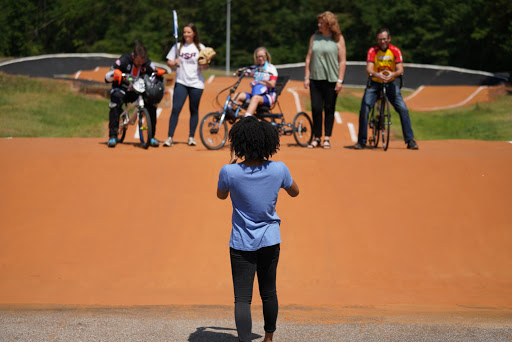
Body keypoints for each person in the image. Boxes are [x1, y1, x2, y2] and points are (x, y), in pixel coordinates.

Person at [217, 117, 300, 342]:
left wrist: (232, 164)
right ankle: (269, 338)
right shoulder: (279, 169)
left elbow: (221, 195)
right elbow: (295, 192)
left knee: (242, 298)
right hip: (270, 240)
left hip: (241, 241)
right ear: (268, 143)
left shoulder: (228, 172)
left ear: (239, 144)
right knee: (269, 292)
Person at [354, 28, 419, 150]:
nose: (382, 41)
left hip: (390, 83)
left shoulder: (395, 51)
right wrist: (377, 75)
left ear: (389, 39)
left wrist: (392, 75)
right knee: (365, 108)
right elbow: (369, 69)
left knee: (403, 109)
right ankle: (361, 141)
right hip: (374, 83)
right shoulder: (372, 50)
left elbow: (400, 70)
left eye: (384, 39)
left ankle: (410, 140)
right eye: (379, 39)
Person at [304, 11, 347, 149]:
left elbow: (342, 61)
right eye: (319, 22)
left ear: (329, 24)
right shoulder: (314, 37)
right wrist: (306, 77)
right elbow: (308, 58)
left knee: (329, 108)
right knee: (316, 108)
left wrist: (340, 80)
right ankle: (317, 137)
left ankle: (327, 137)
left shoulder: (338, 38)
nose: (319, 25)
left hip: (331, 79)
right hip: (315, 78)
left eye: (322, 23)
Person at [105, 43, 161, 148]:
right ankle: (113, 136)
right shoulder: (123, 60)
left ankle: (151, 136)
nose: (140, 64)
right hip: (122, 89)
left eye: (142, 62)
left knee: (152, 106)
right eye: (138, 61)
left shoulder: (148, 64)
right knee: (115, 104)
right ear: (133, 56)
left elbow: (154, 75)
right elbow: (107, 76)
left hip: (138, 91)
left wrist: (158, 75)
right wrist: (114, 74)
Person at [163, 23, 208, 147]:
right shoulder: (178, 47)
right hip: (181, 82)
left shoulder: (200, 47)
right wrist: (174, 63)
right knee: (176, 109)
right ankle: (170, 137)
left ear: (194, 33)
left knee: (193, 110)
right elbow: (169, 62)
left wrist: (204, 65)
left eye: (188, 32)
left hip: (196, 83)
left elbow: (205, 66)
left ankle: (191, 137)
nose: (186, 34)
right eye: (184, 32)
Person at [232, 47, 278, 118]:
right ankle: (228, 111)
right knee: (238, 95)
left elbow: (272, 84)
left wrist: (259, 82)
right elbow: (247, 71)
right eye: (258, 57)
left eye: (262, 56)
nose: (260, 58)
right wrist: (240, 72)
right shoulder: (255, 68)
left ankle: (247, 119)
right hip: (255, 93)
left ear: (266, 56)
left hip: (268, 96)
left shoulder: (271, 68)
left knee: (255, 98)